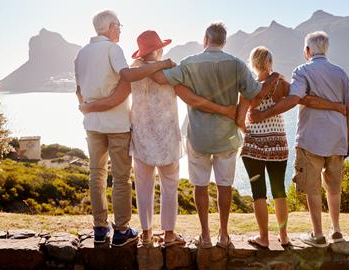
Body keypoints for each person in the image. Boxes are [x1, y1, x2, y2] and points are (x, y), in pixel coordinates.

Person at [79, 30, 237, 247]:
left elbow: (118, 97)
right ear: (159, 48)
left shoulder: (133, 71)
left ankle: (146, 234)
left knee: (143, 187)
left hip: (142, 137)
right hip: (167, 139)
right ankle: (169, 234)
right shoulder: (170, 70)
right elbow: (187, 95)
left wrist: (89, 106)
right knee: (169, 187)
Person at [151, 22, 281, 248]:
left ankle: (205, 236)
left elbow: (161, 79)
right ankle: (223, 235)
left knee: (200, 186)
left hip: (199, 136)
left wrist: (162, 65)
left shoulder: (190, 63)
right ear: (224, 41)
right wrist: (239, 117)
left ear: (205, 39)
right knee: (225, 186)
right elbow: (252, 93)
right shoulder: (237, 64)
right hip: (228, 136)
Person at [74, 10, 175, 247]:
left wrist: (87, 107)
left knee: (96, 174)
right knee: (120, 178)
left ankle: (100, 228)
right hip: (117, 124)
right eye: (118, 26)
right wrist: (162, 63)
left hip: (92, 125)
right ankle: (121, 230)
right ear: (110, 27)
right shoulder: (112, 49)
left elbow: (78, 90)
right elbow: (128, 75)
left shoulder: (81, 54)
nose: (120, 30)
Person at [251, 31, 349, 248]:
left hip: (311, 140)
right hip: (338, 139)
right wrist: (348, 139)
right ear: (325, 49)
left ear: (307, 51)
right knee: (334, 188)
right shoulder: (341, 73)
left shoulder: (302, 71)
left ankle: (317, 234)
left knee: (313, 187)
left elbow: (293, 100)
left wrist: (263, 114)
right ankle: (336, 231)